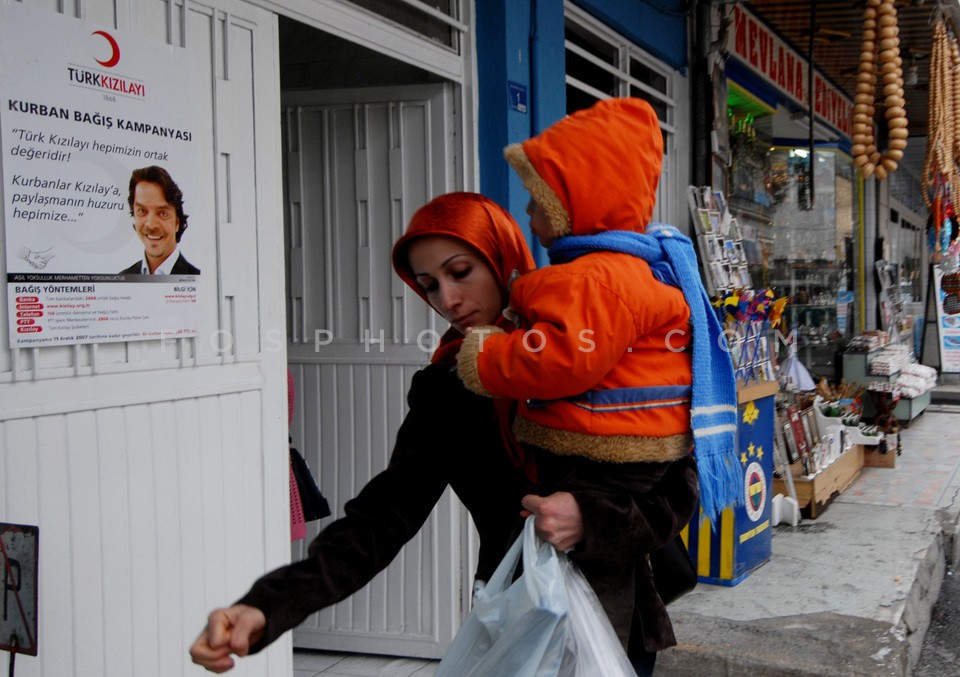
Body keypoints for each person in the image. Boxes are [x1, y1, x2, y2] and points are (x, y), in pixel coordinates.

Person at [189, 192, 697, 675]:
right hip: (516, 620)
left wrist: (592, 520)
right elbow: (382, 518)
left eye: (461, 272)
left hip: (620, 622)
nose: (449, 299)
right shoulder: (447, 387)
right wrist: (265, 607)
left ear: (505, 259)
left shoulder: (597, 350)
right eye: (429, 284)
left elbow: (677, 486)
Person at [455, 98, 741, 662]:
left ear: (578, 206)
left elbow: (564, 360)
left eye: (540, 201)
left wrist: (486, 359)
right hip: (545, 568)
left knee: (595, 639)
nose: (530, 217)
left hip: (606, 491)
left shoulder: (592, 282)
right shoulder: (635, 272)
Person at [119, 165, 200, 275]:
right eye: (142, 211)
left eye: (163, 213)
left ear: (177, 222)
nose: (151, 225)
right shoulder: (123, 277)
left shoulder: (198, 278)